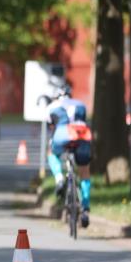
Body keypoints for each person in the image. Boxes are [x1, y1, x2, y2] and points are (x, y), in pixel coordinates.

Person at [46, 83, 93, 228]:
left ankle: (59, 178)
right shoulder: (80, 104)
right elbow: (84, 120)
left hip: (63, 133)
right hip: (81, 133)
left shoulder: (52, 106)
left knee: (51, 153)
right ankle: (85, 207)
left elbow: (51, 127)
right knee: (84, 169)